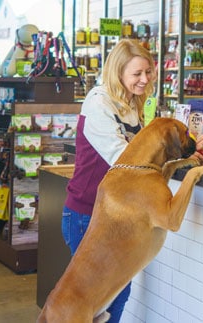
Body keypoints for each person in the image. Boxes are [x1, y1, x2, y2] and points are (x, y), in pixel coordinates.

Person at [60, 39, 155, 322]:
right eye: (137, 74)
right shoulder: (99, 102)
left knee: (115, 295)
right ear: (118, 73)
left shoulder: (133, 103)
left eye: (148, 72)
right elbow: (123, 159)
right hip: (85, 215)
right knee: (96, 301)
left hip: (111, 216)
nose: (144, 79)